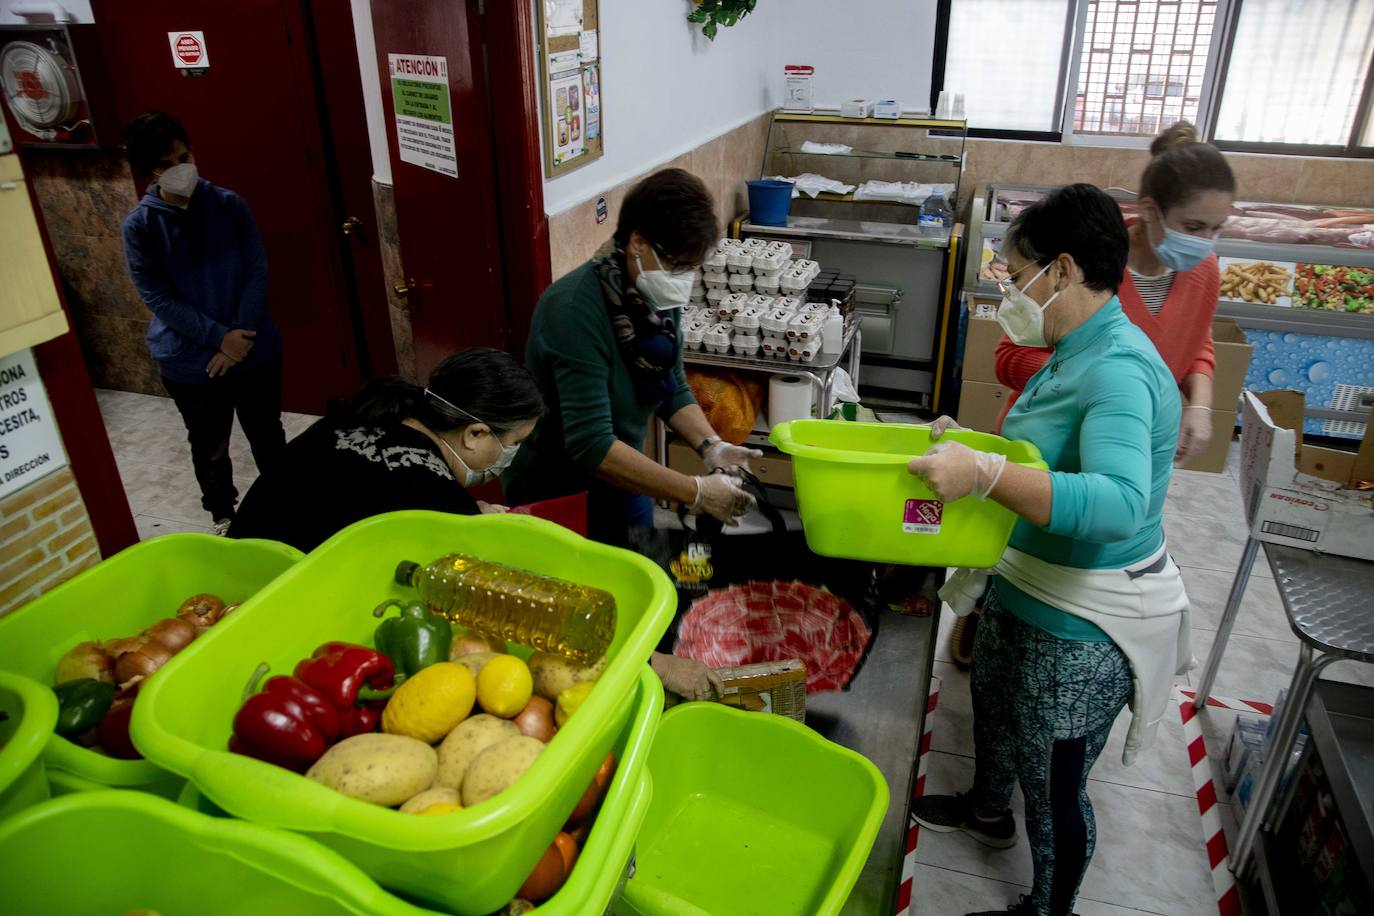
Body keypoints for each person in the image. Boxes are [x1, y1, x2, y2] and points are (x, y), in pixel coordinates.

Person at [908, 185, 1191, 916]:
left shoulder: (1120, 369)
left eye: (1015, 272)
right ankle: (985, 809)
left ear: (1061, 272)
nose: (1009, 289)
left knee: (1054, 783)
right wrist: (975, 446)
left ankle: (1048, 907)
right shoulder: (1070, 348)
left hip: (1081, 621)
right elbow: (1044, 450)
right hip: (1025, 580)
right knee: (996, 707)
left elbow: (1120, 501)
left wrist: (988, 474)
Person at [946, 122, 1236, 670]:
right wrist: (1071, 376)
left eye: (1216, 229)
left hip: (1106, 470)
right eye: (1193, 226)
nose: (1203, 243)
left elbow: (1119, 503)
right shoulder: (1099, 265)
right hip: (1073, 438)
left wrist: (1194, 400)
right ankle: (986, 608)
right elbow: (1020, 356)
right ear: (1150, 211)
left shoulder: (1129, 350)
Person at [505, 168, 756, 546]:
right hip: (559, 487)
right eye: (676, 266)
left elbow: (671, 387)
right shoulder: (572, 311)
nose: (683, 280)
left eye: (690, 269)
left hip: (624, 473)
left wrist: (712, 446)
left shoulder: (653, 296)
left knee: (641, 564)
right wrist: (696, 492)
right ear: (638, 242)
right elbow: (590, 444)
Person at [121, 110, 285, 535]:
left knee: (267, 433)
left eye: (185, 155)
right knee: (210, 446)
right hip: (190, 360)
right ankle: (223, 515)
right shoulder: (141, 227)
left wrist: (240, 337)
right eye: (167, 164)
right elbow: (157, 295)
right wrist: (218, 339)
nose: (181, 169)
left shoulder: (229, 205)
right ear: (149, 172)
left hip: (254, 347)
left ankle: (286, 500)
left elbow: (256, 269)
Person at [229, 348, 543, 551]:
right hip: (260, 602)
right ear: (475, 433)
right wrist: (469, 523)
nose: (512, 454)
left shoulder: (354, 418)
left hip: (228, 567)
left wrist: (468, 514)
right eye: (515, 442)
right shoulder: (436, 497)